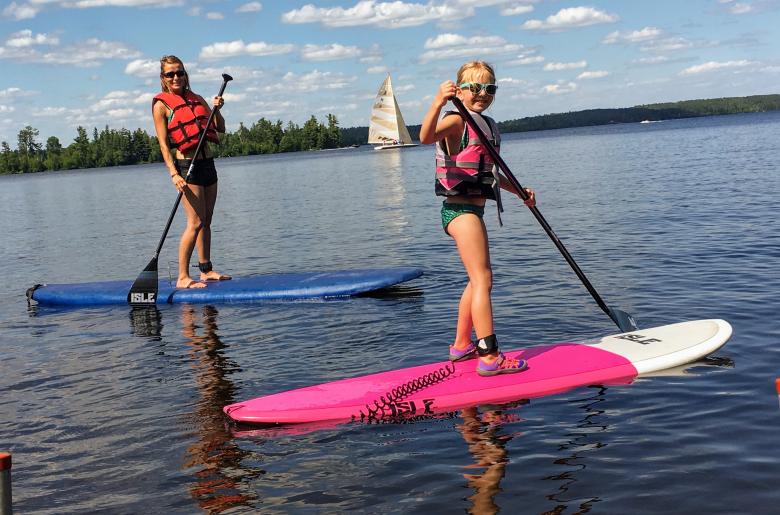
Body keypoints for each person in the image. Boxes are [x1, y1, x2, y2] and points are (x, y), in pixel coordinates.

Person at [419, 60, 536, 376]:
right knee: (484, 279)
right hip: (459, 210)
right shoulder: (456, 120)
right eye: (475, 87)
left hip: (473, 210)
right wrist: (437, 101)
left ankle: (460, 346)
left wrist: (520, 193)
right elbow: (426, 136)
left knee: (477, 279)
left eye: (490, 88)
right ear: (460, 90)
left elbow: (492, 173)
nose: (482, 93)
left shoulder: (486, 125)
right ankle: (489, 357)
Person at [152, 55, 231, 289]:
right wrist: (174, 174)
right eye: (170, 74)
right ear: (163, 78)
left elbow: (221, 127)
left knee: (207, 220)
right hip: (187, 167)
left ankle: (205, 270)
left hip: (208, 163)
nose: (176, 77)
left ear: (185, 74)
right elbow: (164, 145)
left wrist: (216, 109)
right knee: (194, 222)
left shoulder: (197, 99)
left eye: (179, 72)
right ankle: (183, 277)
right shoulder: (161, 105)